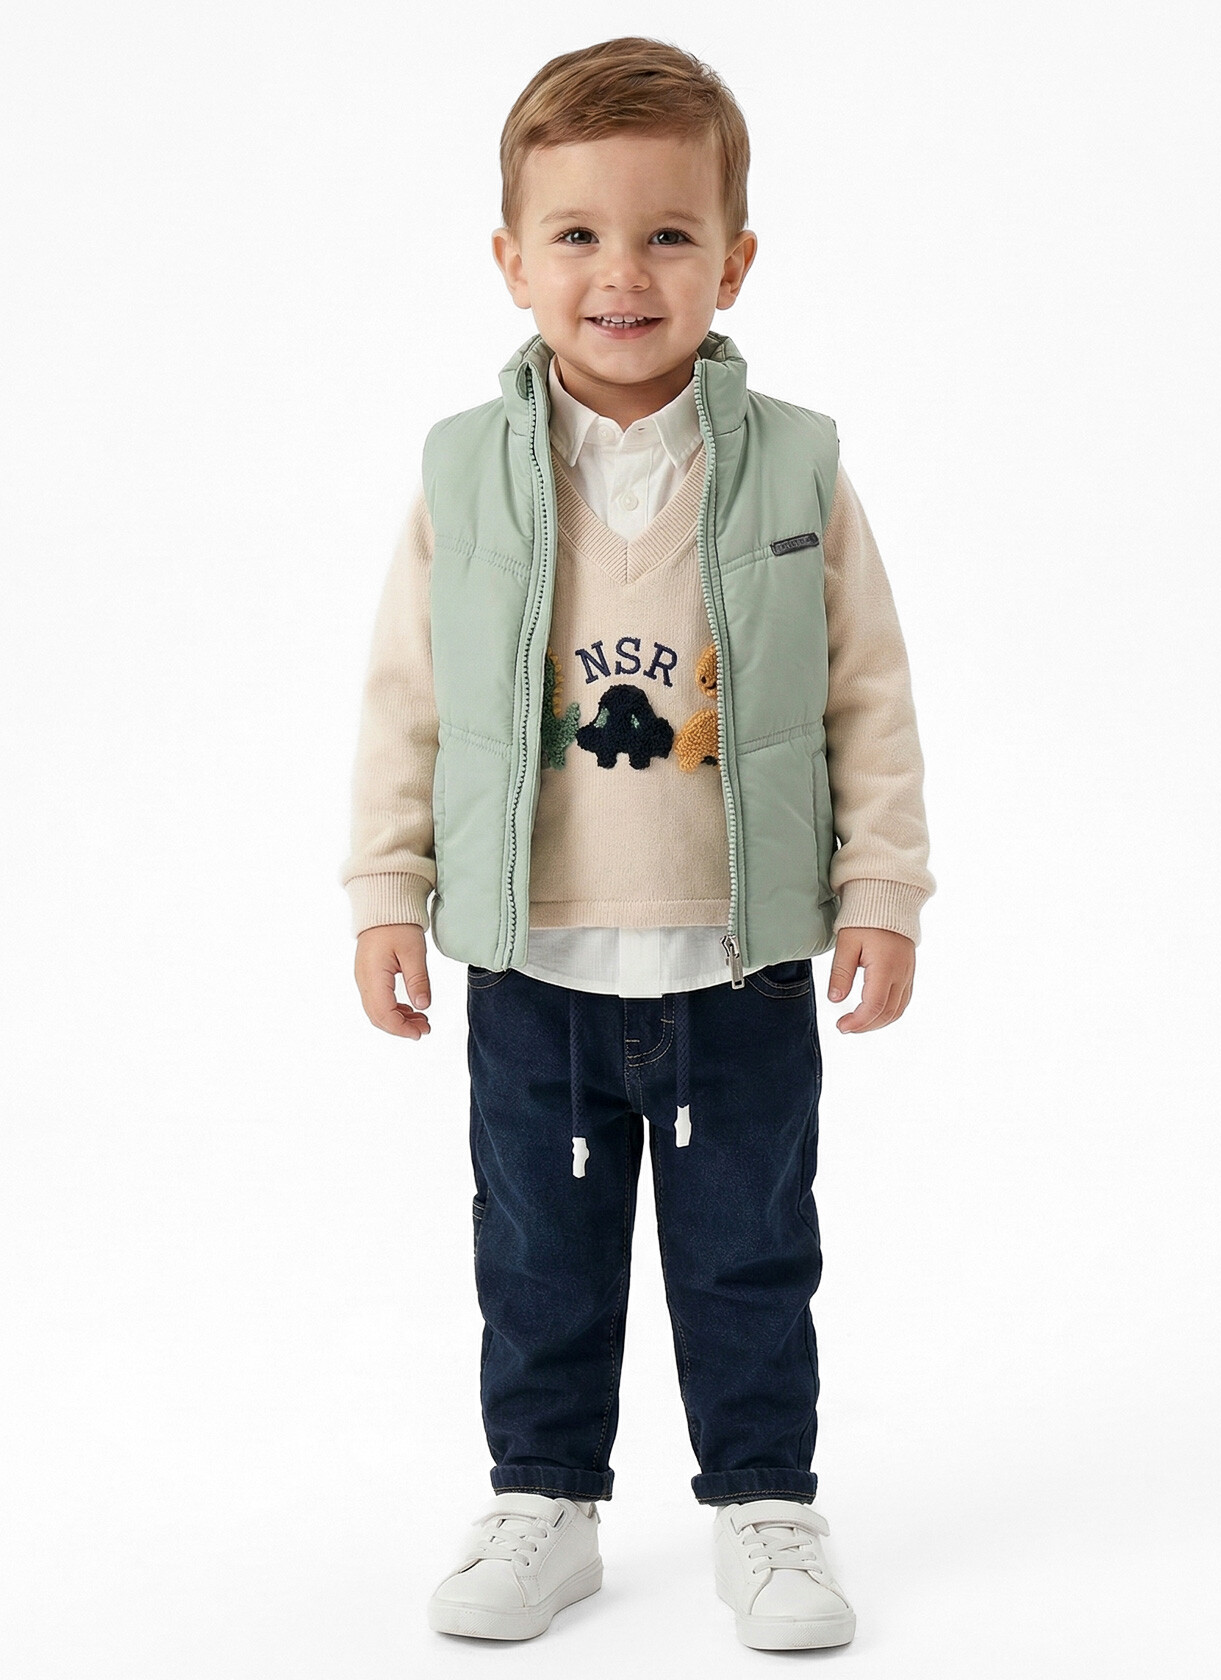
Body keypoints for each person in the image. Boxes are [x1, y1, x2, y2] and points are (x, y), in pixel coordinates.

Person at [339, 35, 936, 1651]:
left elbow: (867, 690)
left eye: (668, 234)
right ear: (511, 261)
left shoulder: (796, 464)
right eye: (579, 235)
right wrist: (387, 888)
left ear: (732, 261)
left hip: (739, 955)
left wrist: (882, 888)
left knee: (749, 1250)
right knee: (540, 1253)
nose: (622, 273)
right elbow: (408, 694)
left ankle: (765, 1505)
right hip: (532, 953)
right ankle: (543, 1499)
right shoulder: (464, 473)